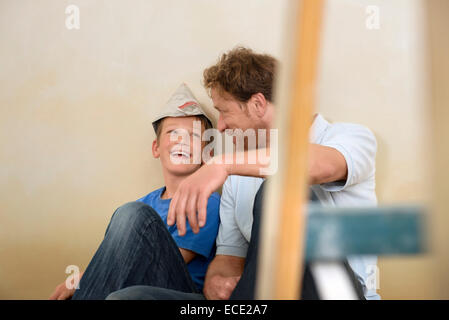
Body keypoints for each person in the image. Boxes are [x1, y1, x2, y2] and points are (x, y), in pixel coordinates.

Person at [106, 47, 379, 300]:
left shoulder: (349, 136)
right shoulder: (238, 177)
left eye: (224, 112)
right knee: (129, 299)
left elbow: (319, 165)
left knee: (278, 189)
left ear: (258, 105)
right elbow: (228, 258)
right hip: (255, 298)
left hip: (335, 293)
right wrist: (216, 280)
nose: (221, 127)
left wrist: (220, 165)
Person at [49, 83, 220, 300]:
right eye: (173, 133)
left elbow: (161, 261)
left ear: (207, 153)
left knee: (132, 215)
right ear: (156, 148)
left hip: (177, 290)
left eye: (194, 136)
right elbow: (115, 261)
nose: (182, 141)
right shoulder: (145, 205)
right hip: (133, 286)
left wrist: (83, 279)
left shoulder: (208, 200)